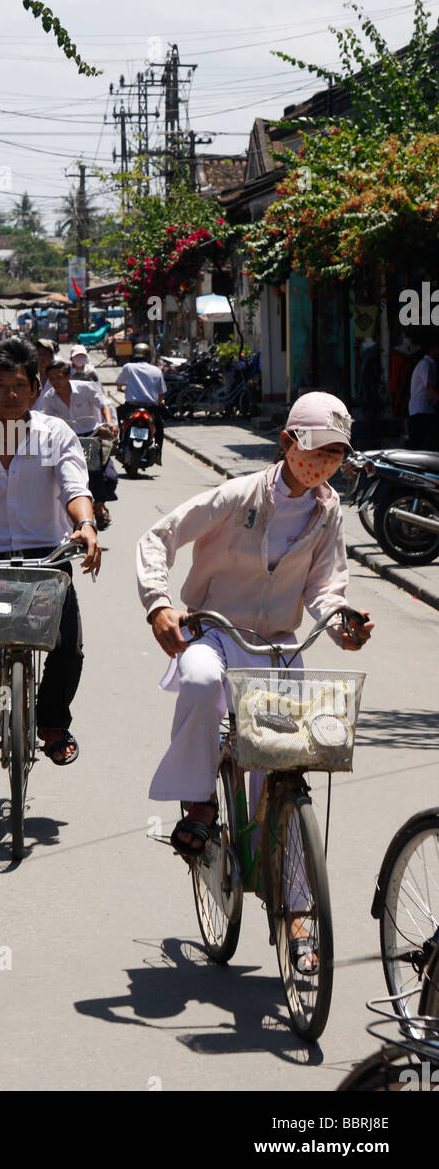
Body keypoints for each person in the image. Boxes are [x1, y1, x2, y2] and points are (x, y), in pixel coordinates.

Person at [136, 391, 374, 971]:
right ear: (290, 442)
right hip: (216, 630)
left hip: (278, 648)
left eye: (335, 454)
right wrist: (159, 604)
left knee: (285, 777)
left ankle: (298, 915)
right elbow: (157, 538)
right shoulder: (238, 494)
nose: (321, 464)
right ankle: (197, 806)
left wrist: (340, 621)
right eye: (314, 450)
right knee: (195, 678)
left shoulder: (328, 510)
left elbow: (325, 586)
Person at [0, 336, 102, 766]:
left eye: (19, 385)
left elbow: (74, 487)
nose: (10, 395)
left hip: (47, 556)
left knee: (68, 647)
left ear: (35, 388)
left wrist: (85, 524)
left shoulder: (56, 433)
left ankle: (52, 722)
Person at [38, 359, 118, 530]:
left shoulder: (86, 388)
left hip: (93, 436)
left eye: (58, 377)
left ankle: (98, 506)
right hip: (67, 440)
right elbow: (47, 422)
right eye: (51, 379)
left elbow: (104, 405)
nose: (55, 382)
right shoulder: (49, 398)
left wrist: (110, 423)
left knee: (105, 475)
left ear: (68, 376)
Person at [114, 341, 166, 462]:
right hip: (150, 408)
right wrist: (160, 402)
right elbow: (162, 393)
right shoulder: (156, 371)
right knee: (159, 427)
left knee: (114, 417)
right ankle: (158, 455)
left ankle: (114, 443)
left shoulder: (128, 367)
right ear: (148, 356)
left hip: (131, 407)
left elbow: (119, 384)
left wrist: (122, 389)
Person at [406, 339, 439, 449]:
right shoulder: (426, 364)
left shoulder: (429, 364)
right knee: (419, 443)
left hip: (425, 408)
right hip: (421, 409)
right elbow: (429, 386)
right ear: (433, 350)